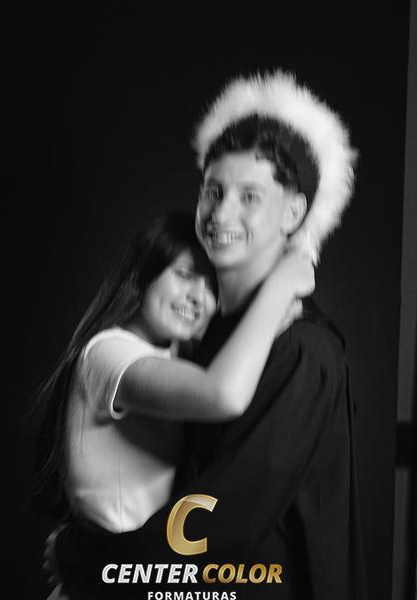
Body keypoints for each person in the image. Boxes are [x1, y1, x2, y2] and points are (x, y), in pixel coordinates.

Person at [49, 71, 369, 600]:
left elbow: (222, 522)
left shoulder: (305, 350)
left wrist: (92, 560)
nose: (221, 213)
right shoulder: (210, 341)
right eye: (213, 191)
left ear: (294, 212)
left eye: (250, 197)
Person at [33, 211, 313, 595]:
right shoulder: (108, 352)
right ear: (144, 275)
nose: (198, 296)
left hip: (139, 575)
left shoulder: (179, 358)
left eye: (211, 285)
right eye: (184, 275)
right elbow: (223, 394)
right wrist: (281, 284)